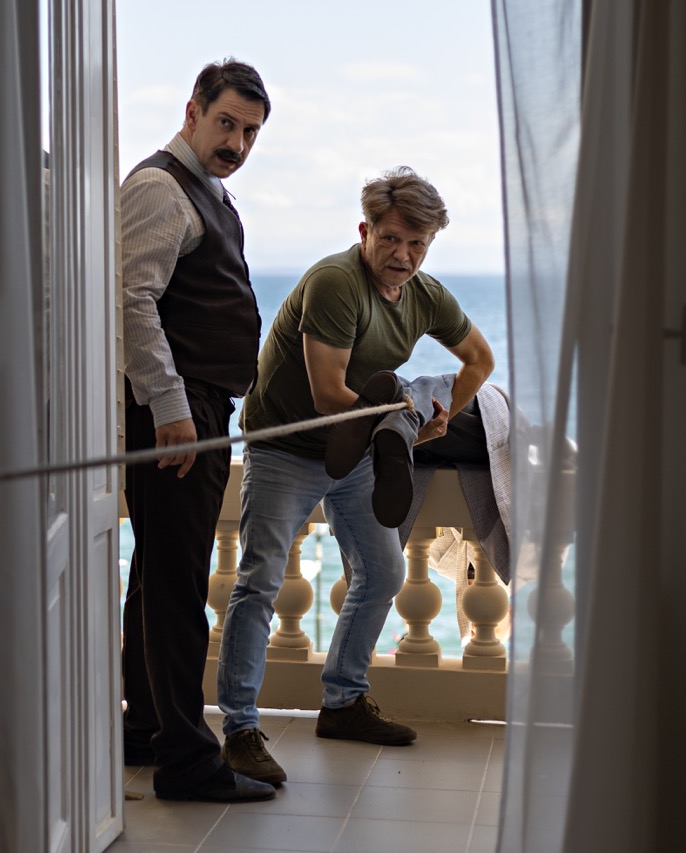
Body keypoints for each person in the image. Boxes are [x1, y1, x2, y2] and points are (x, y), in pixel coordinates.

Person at [216, 167, 495, 785]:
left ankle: (342, 702)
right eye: (391, 238)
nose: (403, 256)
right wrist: (399, 423)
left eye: (417, 244)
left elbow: (479, 359)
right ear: (365, 231)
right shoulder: (335, 282)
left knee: (386, 572)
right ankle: (239, 729)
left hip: (359, 450)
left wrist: (440, 419)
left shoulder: (426, 295)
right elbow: (326, 394)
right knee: (260, 582)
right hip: (288, 445)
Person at [119, 59, 275, 803]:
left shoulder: (210, 194)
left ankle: (146, 728)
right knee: (179, 584)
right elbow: (132, 302)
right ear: (192, 112)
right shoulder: (160, 187)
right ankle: (185, 760)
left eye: (250, 131)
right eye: (226, 123)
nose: (236, 142)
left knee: (159, 573)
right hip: (178, 412)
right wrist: (171, 407)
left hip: (196, 406)